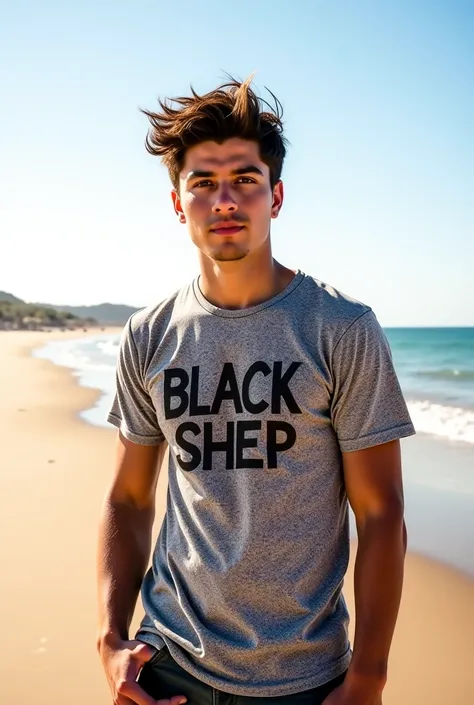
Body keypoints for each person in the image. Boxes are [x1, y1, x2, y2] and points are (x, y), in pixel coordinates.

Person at [96, 76, 416, 705]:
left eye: (244, 179)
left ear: (276, 196)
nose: (224, 200)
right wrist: (110, 639)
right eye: (203, 183)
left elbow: (381, 515)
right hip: (169, 666)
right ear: (176, 202)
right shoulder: (149, 334)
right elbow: (129, 499)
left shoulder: (341, 328)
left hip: (306, 678)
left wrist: (370, 676)